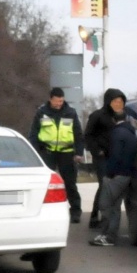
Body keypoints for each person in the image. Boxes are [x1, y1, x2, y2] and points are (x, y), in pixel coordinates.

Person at [28, 87, 85, 223]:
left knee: (70, 183)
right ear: (50, 99)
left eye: (61, 101)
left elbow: (78, 134)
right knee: (44, 182)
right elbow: (33, 134)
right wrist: (35, 152)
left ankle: (76, 211)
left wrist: (79, 152)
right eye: (56, 101)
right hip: (47, 152)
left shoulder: (70, 113)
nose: (59, 104)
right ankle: (40, 210)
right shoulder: (42, 113)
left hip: (66, 153)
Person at [89, 111, 137, 247]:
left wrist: (109, 173)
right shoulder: (131, 133)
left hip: (116, 175)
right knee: (115, 206)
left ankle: (107, 236)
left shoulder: (116, 134)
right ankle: (110, 235)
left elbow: (115, 155)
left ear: (112, 119)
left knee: (105, 205)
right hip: (127, 175)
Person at [84, 88, 127, 228]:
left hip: (116, 157)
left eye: (121, 101)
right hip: (101, 156)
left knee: (109, 185)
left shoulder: (122, 116)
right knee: (104, 184)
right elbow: (88, 135)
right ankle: (96, 216)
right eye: (115, 101)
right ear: (108, 101)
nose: (118, 104)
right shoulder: (97, 115)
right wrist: (97, 151)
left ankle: (105, 217)